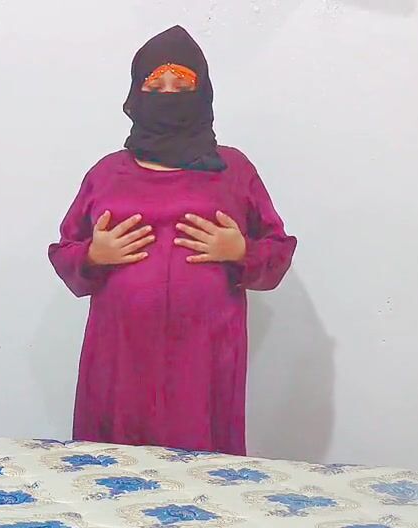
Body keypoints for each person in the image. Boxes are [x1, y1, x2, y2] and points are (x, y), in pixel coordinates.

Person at [48, 25, 297, 456]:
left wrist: (241, 252)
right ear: (136, 94)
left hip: (204, 353)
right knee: (114, 469)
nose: (168, 95)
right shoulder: (107, 173)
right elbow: (64, 251)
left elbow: (277, 251)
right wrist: (93, 255)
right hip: (120, 353)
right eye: (155, 85)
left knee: (201, 469)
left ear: (203, 92)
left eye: (181, 85)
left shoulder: (233, 170)